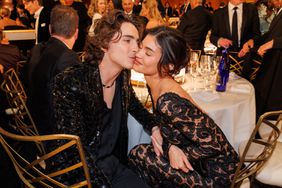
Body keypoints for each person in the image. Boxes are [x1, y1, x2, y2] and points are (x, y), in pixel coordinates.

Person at [50, 10, 160, 187]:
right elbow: (74, 154)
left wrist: (154, 127)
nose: (136, 48)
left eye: (137, 42)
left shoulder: (122, 77)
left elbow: (135, 106)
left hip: (112, 165)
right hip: (80, 176)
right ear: (104, 44)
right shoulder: (72, 83)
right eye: (127, 40)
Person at [129, 26, 240, 187]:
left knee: (138, 154)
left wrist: (171, 150)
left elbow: (213, 145)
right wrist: (171, 146)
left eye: (148, 52)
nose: (138, 54)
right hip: (201, 163)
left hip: (218, 176)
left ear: (169, 66)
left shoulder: (169, 101)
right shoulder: (156, 85)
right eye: (141, 47)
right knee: (139, 154)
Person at [27, 5, 81, 136]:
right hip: (54, 135)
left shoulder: (38, 49)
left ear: (50, 29)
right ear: (77, 33)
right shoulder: (69, 58)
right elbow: (74, 107)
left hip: (33, 123)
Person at [238, 0, 282, 119]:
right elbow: (270, 34)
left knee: (273, 101)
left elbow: (274, 39)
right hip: (272, 60)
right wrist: (254, 41)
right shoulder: (279, 11)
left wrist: (272, 43)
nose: (271, 2)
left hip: (278, 64)